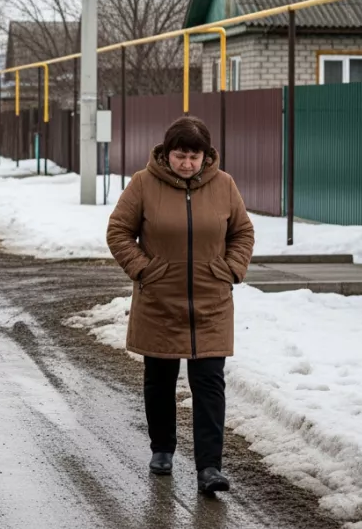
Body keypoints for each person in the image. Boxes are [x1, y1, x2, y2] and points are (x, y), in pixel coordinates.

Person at [105, 116, 254, 494]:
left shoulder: (224, 185)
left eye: (194, 156)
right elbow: (119, 230)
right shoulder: (143, 183)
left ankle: (209, 467)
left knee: (209, 383)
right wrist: (144, 271)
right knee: (160, 380)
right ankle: (162, 450)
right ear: (167, 153)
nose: (187, 163)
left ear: (205, 157)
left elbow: (242, 232)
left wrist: (230, 270)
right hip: (159, 300)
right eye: (180, 155)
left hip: (211, 301)